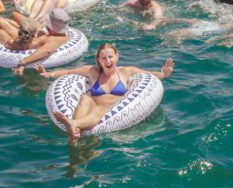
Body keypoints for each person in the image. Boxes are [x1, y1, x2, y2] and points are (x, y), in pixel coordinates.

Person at [34, 43, 174, 139]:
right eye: (104, 58)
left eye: (110, 57)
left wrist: (163, 74)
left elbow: (149, 74)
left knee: (98, 110)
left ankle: (74, 126)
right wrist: (49, 75)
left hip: (108, 109)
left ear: (116, 57)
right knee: (85, 98)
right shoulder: (92, 71)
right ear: (99, 60)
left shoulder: (126, 72)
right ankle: (74, 128)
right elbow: (68, 71)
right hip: (90, 103)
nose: (107, 61)